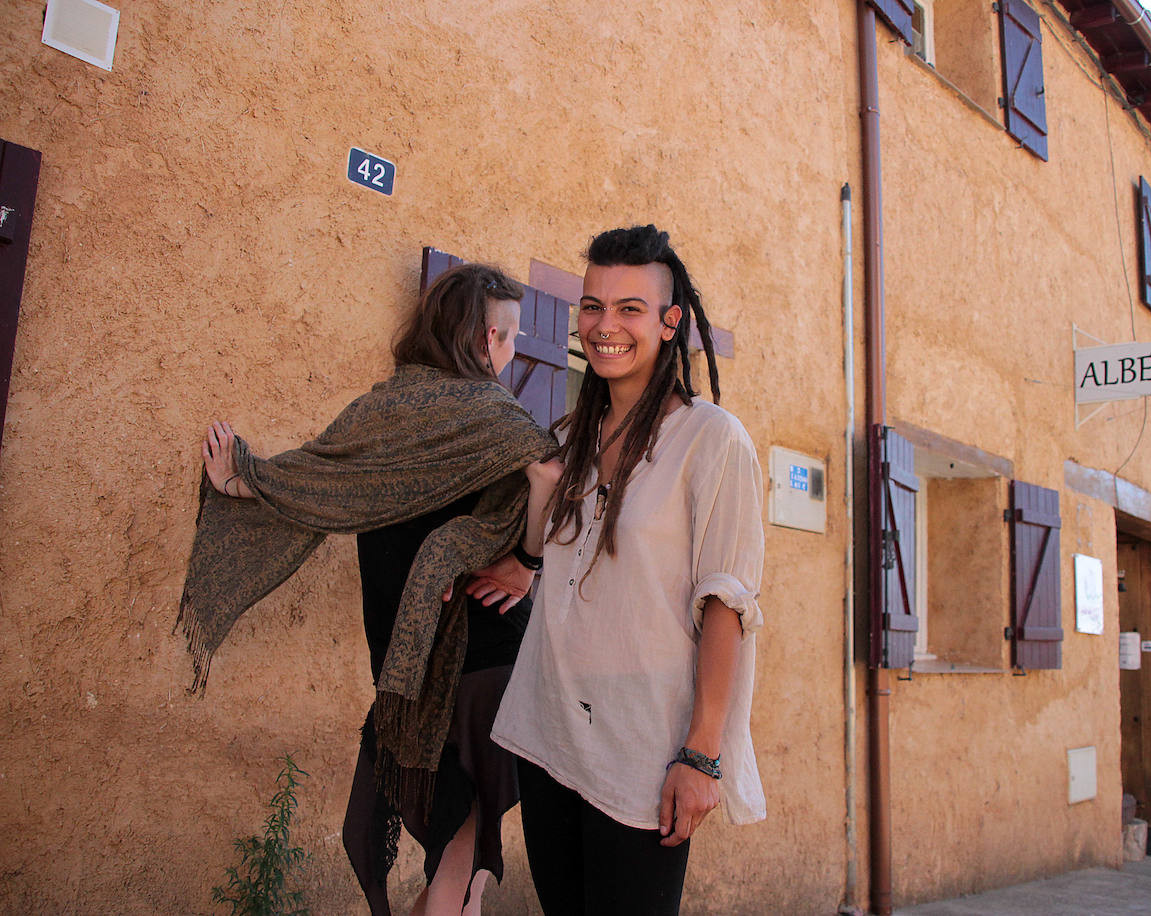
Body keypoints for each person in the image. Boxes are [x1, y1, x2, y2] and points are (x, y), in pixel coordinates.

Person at [177, 263, 558, 916]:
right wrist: (527, 549)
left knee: (459, 840)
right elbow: (551, 491)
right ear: (478, 337)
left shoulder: (380, 411)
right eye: (506, 335)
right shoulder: (501, 422)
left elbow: (317, 481)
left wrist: (244, 477)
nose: (513, 349)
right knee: (465, 846)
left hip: (404, 668)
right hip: (488, 660)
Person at [473, 225, 766, 915]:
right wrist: (520, 560)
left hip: (644, 745)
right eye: (592, 306)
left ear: (670, 323)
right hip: (551, 729)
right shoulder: (574, 435)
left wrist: (701, 755)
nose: (605, 326)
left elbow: (725, 602)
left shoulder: (712, 440)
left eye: (629, 308)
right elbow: (562, 552)